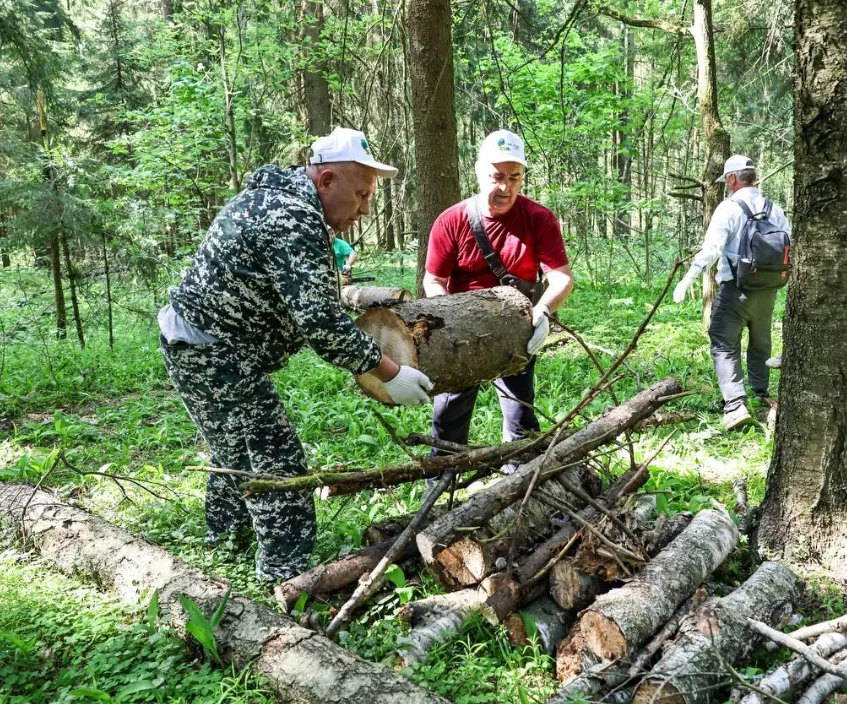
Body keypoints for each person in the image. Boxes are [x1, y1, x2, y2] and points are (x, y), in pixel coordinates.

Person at [157, 127, 434, 582]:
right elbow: (321, 325)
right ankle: (286, 575)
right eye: (361, 194)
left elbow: (301, 294)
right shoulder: (291, 216)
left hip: (198, 341)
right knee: (274, 454)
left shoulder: (284, 201)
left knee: (234, 446)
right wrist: (389, 372)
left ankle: (224, 540)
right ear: (326, 181)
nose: (366, 208)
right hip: (212, 348)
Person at [422, 129, 574, 454]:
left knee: (520, 417)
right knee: (448, 418)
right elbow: (433, 280)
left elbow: (561, 277)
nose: (506, 187)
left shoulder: (539, 219)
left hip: (517, 332)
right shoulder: (452, 221)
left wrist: (544, 310)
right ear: (480, 172)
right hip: (462, 336)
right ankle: (443, 479)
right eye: (497, 176)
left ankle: (521, 475)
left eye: (514, 177)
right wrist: (447, 319)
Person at [672, 154, 791, 430]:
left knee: (723, 343)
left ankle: (736, 405)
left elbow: (712, 249)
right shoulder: (774, 208)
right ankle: (761, 396)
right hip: (768, 291)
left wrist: (687, 279)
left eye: (727, 179)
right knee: (761, 343)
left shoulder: (728, 208)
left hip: (734, 289)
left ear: (733, 178)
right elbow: (789, 244)